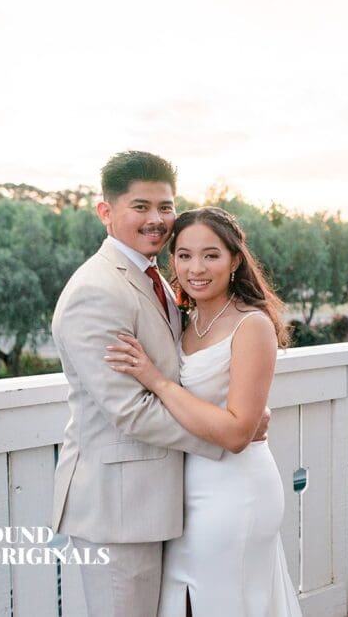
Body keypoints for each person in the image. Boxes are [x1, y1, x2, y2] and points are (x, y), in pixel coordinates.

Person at [50, 151, 269, 617]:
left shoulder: (157, 280)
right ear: (106, 212)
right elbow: (129, 410)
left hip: (166, 500)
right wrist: (230, 431)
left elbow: (179, 372)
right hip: (118, 508)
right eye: (141, 206)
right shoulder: (96, 291)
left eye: (165, 206)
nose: (156, 220)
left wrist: (235, 417)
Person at [105, 206, 303, 617]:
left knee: (230, 602)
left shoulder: (252, 326)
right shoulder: (183, 319)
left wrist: (155, 379)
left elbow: (235, 434)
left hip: (236, 493)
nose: (196, 267)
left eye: (211, 255)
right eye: (184, 255)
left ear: (234, 260)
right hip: (184, 492)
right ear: (172, 260)